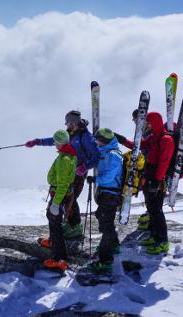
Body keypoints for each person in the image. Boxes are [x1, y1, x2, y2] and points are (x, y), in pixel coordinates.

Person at [26, 110, 100, 239]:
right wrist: (37, 141)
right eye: (66, 123)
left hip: (78, 172)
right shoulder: (70, 133)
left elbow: (97, 156)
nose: (67, 125)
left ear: (74, 122)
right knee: (68, 197)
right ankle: (71, 224)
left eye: (69, 123)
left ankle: (75, 227)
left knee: (72, 197)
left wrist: (84, 167)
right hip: (69, 170)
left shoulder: (86, 137)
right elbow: (55, 140)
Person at [116, 112, 174, 255]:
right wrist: (122, 140)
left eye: (148, 122)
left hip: (157, 179)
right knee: (151, 208)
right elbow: (137, 145)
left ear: (155, 122)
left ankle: (162, 241)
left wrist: (157, 181)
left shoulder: (166, 140)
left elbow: (164, 162)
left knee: (156, 210)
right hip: (149, 176)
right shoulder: (153, 137)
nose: (146, 124)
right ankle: (155, 236)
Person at [86, 128, 123, 274]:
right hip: (106, 193)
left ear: (105, 141)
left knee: (106, 224)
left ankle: (105, 261)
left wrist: (95, 179)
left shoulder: (113, 156)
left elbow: (108, 177)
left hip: (110, 194)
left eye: (99, 139)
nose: (97, 141)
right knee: (103, 219)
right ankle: (113, 245)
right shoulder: (106, 152)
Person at [42, 129, 77, 271]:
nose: (54, 144)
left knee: (54, 222)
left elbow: (62, 184)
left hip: (59, 194)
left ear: (61, 143)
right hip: (64, 194)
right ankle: (53, 242)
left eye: (56, 142)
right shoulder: (70, 153)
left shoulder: (64, 159)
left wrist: (56, 203)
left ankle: (59, 259)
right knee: (53, 220)